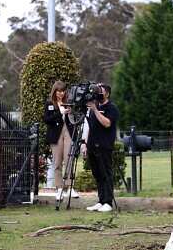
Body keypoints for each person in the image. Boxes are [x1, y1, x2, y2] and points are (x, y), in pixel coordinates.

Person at [84, 84, 119, 213]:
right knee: (97, 174)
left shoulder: (112, 108)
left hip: (104, 146)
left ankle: (108, 202)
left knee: (106, 173)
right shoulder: (94, 107)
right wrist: (85, 144)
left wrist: (95, 110)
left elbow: (107, 123)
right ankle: (101, 200)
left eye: (101, 91)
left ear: (107, 94)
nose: (98, 94)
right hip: (92, 145)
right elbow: (90, 126)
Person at [43, 81, 79, 199]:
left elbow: (76, 118)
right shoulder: (50, 103)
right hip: (56, 135)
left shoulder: (69, 102)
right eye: (59, 91)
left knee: (69, 160)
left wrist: (70, 111)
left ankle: (69, 187)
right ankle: (59, 189)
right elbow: (47, 119)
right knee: (57, 162)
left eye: (63, 91)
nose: (61, 94)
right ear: (55, 91)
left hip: (68, 132)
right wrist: (60, 112)